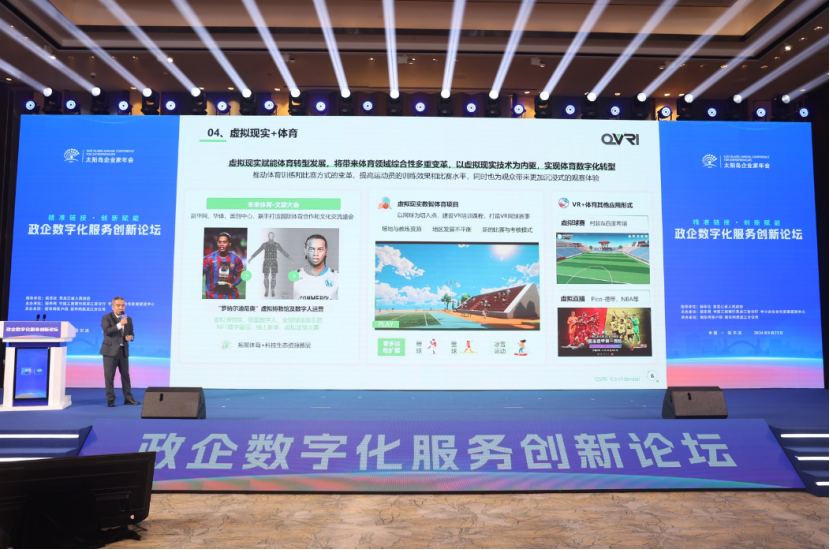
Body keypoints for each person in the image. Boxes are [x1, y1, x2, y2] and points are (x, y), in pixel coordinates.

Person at [99, 297, 140, 407]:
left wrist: (131, 337)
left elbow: (131, 333)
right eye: (118, 305)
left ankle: (128, 398)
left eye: (123, 305)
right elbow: (107, 331)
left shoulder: (128, 319)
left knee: (126, 376)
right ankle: (111, 399)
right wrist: (120, 324)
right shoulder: (107, 317)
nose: (121, 307)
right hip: (110, 352)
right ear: (113, 306)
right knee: (109, 376)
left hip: (123, 351)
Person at [292, 234, 339, 300]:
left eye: (320, 249)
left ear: (326, 252)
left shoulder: (338, 277)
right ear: (305, 251)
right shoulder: (293, 277)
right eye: (311, 249)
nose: (315, 254)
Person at [248, 232, 292, 297]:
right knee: (266, 277)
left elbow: (282, 251)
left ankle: (272, 290)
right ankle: (266, 290)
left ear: (273, 236)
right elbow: (258, 251)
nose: (271, 236)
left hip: (274, 261)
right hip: (266, 261)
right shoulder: (265, 244)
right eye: (270, 235)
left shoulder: (276, 244)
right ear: (268, 236)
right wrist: (251, 257)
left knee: (274, 277)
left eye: (272, 235)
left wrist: (289, 258)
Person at [203, 232, 245, 299]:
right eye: (219, 242)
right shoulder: (208, 259)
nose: (221, 244)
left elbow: (241, 274)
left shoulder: (236, 259)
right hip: (213, 297)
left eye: (224, 242)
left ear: (229, 243)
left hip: (231, 296)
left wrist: (232, 284)